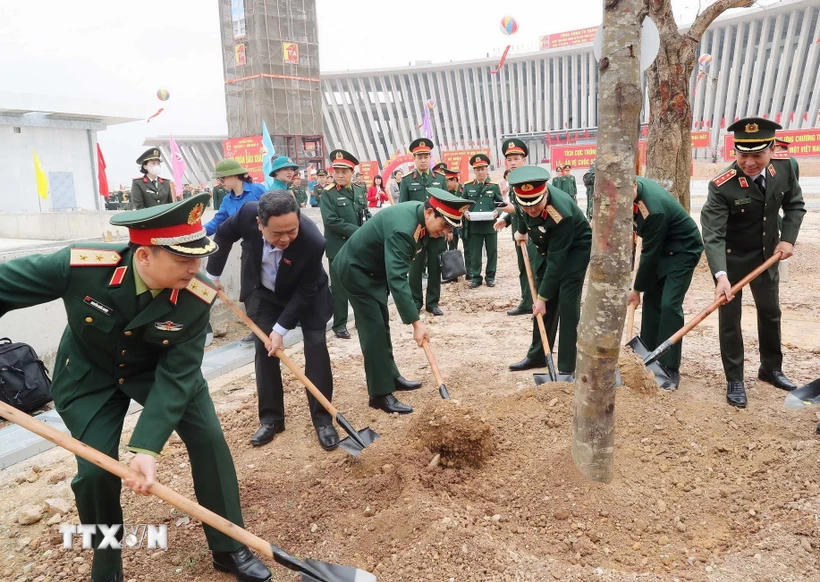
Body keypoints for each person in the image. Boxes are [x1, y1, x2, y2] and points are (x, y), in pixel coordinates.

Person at [0, 194, 271, 582]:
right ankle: (107, 564)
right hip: (89, 374)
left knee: (210, 441)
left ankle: (230, 546)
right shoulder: (81, 265)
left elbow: (177, 377)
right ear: (144, 256)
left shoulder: (197, 296)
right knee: (95, 473)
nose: (196, 268)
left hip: (161, 373)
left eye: (198, 257)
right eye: (183, 259)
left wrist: (146, 448)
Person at [206, 192, 338, 450]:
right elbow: (222, 235)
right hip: (264, 291)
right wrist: (213, 275)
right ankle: (271, 419)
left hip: (307, 294)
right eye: (277, 234)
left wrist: (281, 329)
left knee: (316, 345)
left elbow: (306, 290)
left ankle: (323, 420)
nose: (286, 238)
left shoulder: (313, 241)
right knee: (263, 350)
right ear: (259, 224)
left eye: (292, 230)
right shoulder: (246, 214)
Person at [332, 188, 474, 414]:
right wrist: (417, 324)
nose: (445, 232)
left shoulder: (420, 220)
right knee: (373, 330)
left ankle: (391, 376)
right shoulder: (404, 229)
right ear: (429, 212)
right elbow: (397, 278)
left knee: (382, 324)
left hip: (374, 271)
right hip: (356, 271)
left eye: (450, 227)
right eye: (444, 225)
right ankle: (379, 394)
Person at [700, 117, 806, 408]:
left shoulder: (786, 167)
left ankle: (770, 368)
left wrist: (788, 239)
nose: (749, 162)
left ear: (771, 149)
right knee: (730, 321)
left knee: (771, 312)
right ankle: (734, 378)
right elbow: (713, 235)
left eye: (757, 154)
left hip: (768, 256)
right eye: (742, 155)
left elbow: (794, 204)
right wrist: (720, 276)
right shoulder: (722, 185)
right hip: (731, 261)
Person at [507, 166, 592, 376]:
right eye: (526, 207)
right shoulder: (525, 200)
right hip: (548, 248)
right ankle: (538, 355)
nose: (531, 211)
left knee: (566, 303)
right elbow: (521, 212)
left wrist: (543, 297)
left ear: (544, 194)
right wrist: (521, 231)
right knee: (542, 306)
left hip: (574, 250)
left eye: (535, 207)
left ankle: (566, 366)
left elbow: (557, 261)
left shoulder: (560, 214)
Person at [627, 177, 704, 389]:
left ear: (633, 186)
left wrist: (636, 289)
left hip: (682, 251)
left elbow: (649, 255)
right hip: (661, 248)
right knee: (652, 303)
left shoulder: (653, 210)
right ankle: (648, 356)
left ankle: (669, 367)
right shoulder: (629, 187)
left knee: (669, 305)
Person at [320, 149, 371, 340]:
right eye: (337, 171)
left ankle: (360, 320)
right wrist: (359, 232)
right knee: (340, 288)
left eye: (344, 171)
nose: (340, 175)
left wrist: (370, 226)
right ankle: (339, 324)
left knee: (359, 284)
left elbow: (364, 213)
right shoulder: (328, 194)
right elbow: (331, 221)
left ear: (352, 172)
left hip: (357, 247)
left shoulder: (359, 190)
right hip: (337, 248)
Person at [399, 138, 449, 315]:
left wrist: (447, 229)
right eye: (419, 156)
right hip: (416, 232)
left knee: (435, 267)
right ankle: (415, 302)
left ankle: (433, 303)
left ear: (430, 157)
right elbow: (402, 208)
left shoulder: (440, 179)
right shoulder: (406, 180)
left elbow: (447, 206)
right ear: (414, 158)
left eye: (426, 156)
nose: (423, 160)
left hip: (436, 231)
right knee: (415, 268)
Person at [493, 139, 542, 316]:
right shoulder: (513, 181)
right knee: (523, 266)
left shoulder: (531, 180)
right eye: (510, 159)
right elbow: (516, 207)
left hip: (533, 232)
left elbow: (530, 208)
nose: (513, 163)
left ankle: (539, 305)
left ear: (524, 160)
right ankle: (527, 301)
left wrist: (512, 212)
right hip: (519, 231)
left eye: (516, 158)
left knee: (536, 268)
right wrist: (505, 219)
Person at [463, 154, 502, 288]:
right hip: (474, 225)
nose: (480, 172)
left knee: (492, 251)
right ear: (474, 171)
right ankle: (476, 278)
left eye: (482, 169)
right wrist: (465, 212)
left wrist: (498, 212)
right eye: (477, 169)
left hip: (491, 225)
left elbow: (500, 203)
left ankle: (490, 277)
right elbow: (463, 204)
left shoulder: (494, 186)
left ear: (487, 170)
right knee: (475, 253)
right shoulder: (468, 186)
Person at [204, 160, 267, 236]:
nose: (220, 182)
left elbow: (275, 211)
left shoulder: (257, 190)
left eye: (222, 178)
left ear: (235, 175)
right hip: (246, 243)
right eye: (218, 179)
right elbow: (216, 222)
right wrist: (196, 233)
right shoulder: (227, 200)